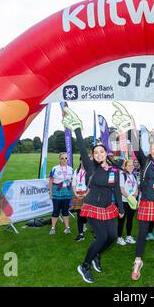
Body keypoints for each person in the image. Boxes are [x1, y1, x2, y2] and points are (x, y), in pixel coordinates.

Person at [112, 101, 154, 281]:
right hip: (147, 203)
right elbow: (134, 145)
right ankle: (138, 261)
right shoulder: (144, 161)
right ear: (150, 149)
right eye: (153, 149)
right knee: (142, 233)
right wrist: (126, 127)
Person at [62, 108, 125, 284]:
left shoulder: (114, 170)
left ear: (106, 153)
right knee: (102, 237)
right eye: (96, 153)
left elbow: (117, 191)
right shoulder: (91, 168)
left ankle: (97, 255)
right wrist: (77, 130)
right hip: (92, 207)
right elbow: (82, 148)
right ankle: (85, 266)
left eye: (101, 152)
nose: (99, 155)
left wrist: (121, 208)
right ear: (93, 155)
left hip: (109, 208)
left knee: (112, 236)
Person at [48, 152, 74, 235]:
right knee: (56, 210)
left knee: (65, 210)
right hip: (57, 191)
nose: (64, 160)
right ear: (59, 159)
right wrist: (50, 192)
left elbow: (73, 180)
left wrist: (71, 181)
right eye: (62, 158)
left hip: (67, 191)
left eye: (66, 158)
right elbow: (51, 181)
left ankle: (67, 228)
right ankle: (53, 228)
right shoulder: (55, 168)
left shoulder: (71, 169)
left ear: (68, 159)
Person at [117, 159, 138, 246]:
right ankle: (119, 237)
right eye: (129, 165)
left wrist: (135, 195)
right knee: (121, 220)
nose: (131, 167)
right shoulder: (122, 175)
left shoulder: (134, 175)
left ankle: (128, 236)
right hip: (124, 201)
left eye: (132, 165)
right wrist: (129, 197)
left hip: (132, 201)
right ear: (125, 166)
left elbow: (136, 187)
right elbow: (121, 189)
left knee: (130, 219)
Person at [71, 157, 88, 241]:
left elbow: (91, 185)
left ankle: (96, 233)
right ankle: (81, 234)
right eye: (82, 160)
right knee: (79, 214)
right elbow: (74, 183)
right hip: (77, 193)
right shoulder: (76, 171)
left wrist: (86, 194)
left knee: (88, 214)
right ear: (80, 161)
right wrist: (75, 194)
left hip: (87, 194)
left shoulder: (89, 171)